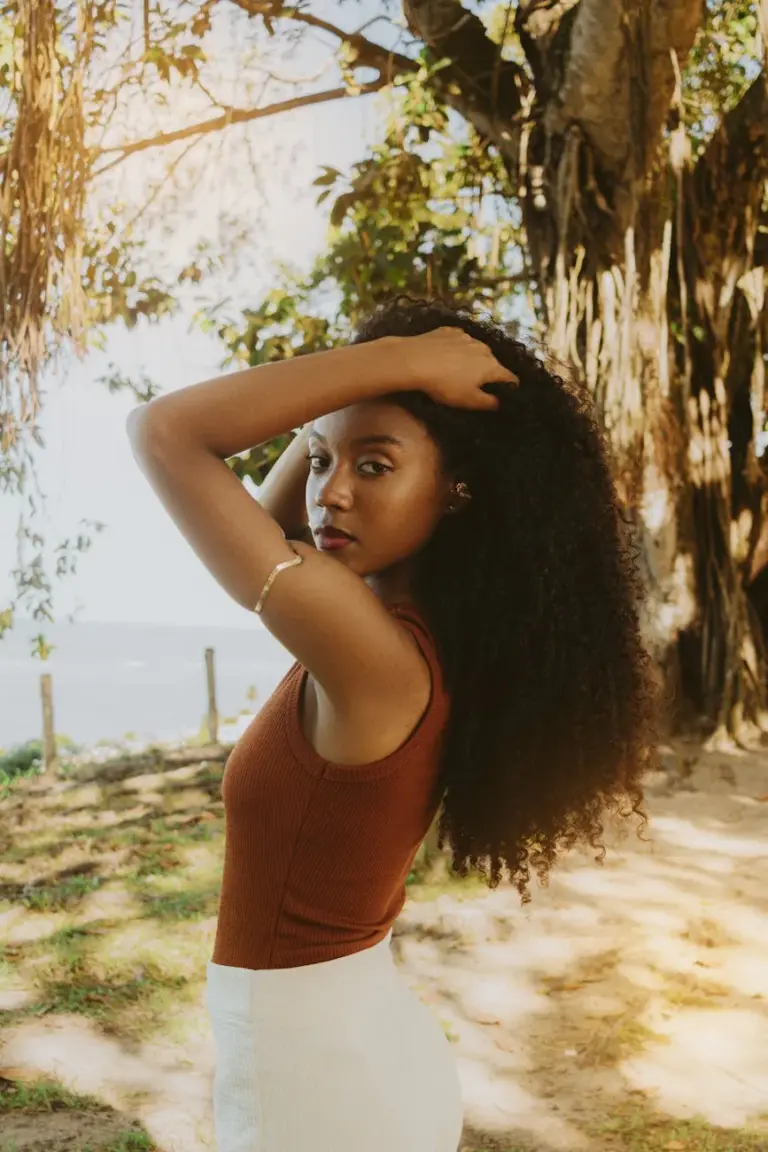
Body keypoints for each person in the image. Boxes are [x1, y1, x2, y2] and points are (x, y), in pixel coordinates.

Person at [127, 296, 654, 1152]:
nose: (331, 491)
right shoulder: (399, 633)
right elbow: (261, 526)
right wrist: (372, 387)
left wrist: (398, 360)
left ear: (458, 492)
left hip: (318, 1078)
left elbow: (164, 433)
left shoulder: (375, 662)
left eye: (376, 467)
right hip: (352, 1045)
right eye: (320, 458)